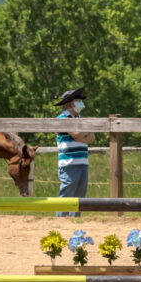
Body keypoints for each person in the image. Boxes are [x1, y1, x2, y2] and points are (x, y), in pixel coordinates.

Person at [54, 88, 96, 217]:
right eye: (77, 100)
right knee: (67, 192)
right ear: (70, 103)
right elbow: (77, 135)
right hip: (68, 162)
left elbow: (92, 138)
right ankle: (61, 220)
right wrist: (84, 135)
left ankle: (75, 221)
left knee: (79, 196)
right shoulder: (62, 118)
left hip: (83, 162)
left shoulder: (81, 118)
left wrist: (82, 135)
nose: (80, 103)